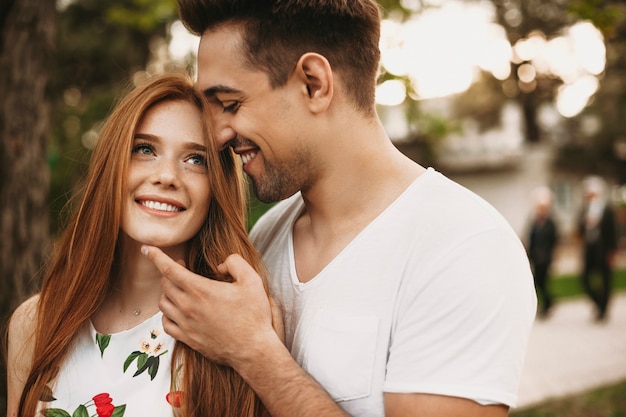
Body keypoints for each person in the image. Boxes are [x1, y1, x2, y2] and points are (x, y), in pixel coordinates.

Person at [143, 1, 537, 416]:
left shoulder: (463, 247)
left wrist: (254, 353)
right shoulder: (265, 238)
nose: (218, 134)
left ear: (314, 84)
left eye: (230, 103)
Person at [6, 73, 281, 417]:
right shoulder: (35, 323)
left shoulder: (246, 320)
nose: (166, 176)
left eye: (196, 159)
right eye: (145, 149)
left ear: (217, 188)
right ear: (112, 166)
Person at [578, 175, 618, 321]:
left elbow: (613, 231)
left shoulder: (607, 210)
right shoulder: (585, 209)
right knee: (585, 277)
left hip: (604, 249)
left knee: (605, 279)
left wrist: (613, 251)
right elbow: (580, 229)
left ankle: (603, 310)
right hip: (590, 248)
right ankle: (598, 302)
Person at [526, 186, 559, 318]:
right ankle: (548, 303)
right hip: (535, 256)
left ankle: (548, 304)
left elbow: (553, 241)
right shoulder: (534, 222)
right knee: (537, 281)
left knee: (542, 281)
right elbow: (531, 238)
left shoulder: (550, 223)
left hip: (545, 258)